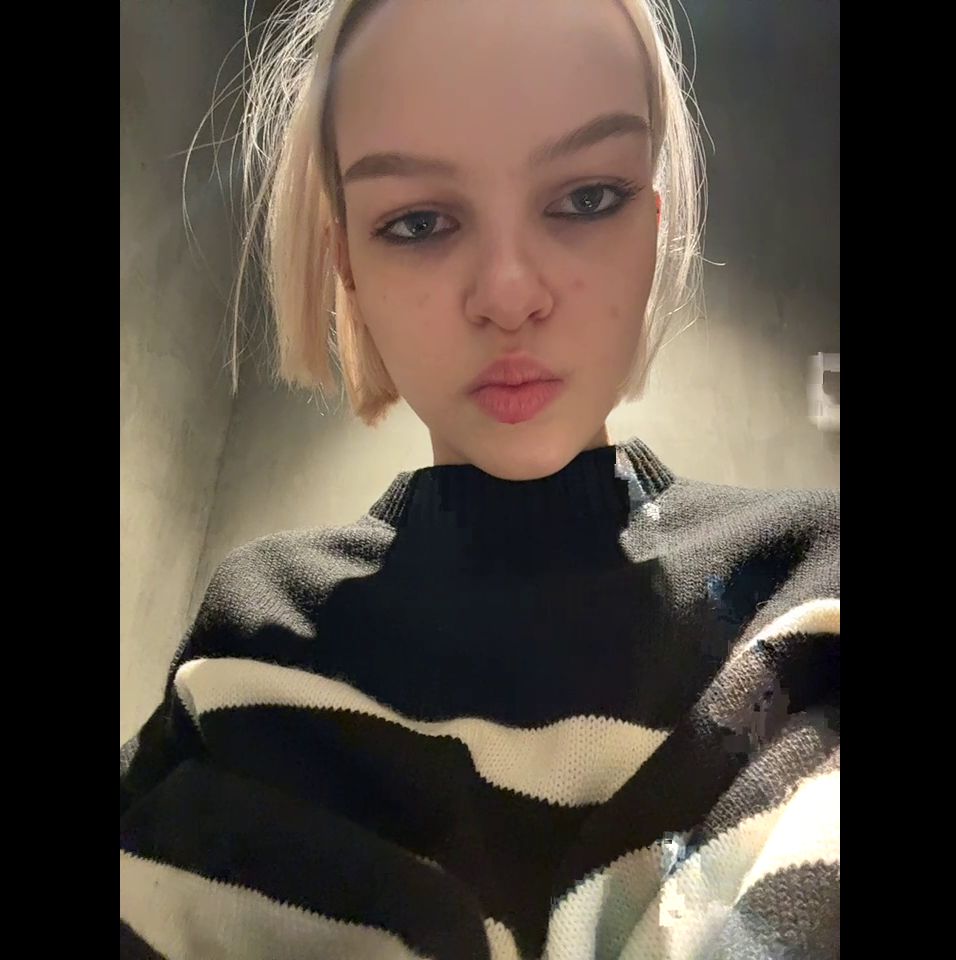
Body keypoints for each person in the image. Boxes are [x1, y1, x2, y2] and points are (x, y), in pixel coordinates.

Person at [120, 1, 839, 957]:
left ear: (653, 226)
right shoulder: (250, 639)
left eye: (588, 198)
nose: (508, 294)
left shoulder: (810, 591)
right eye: (418, 221)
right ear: (347, 263)